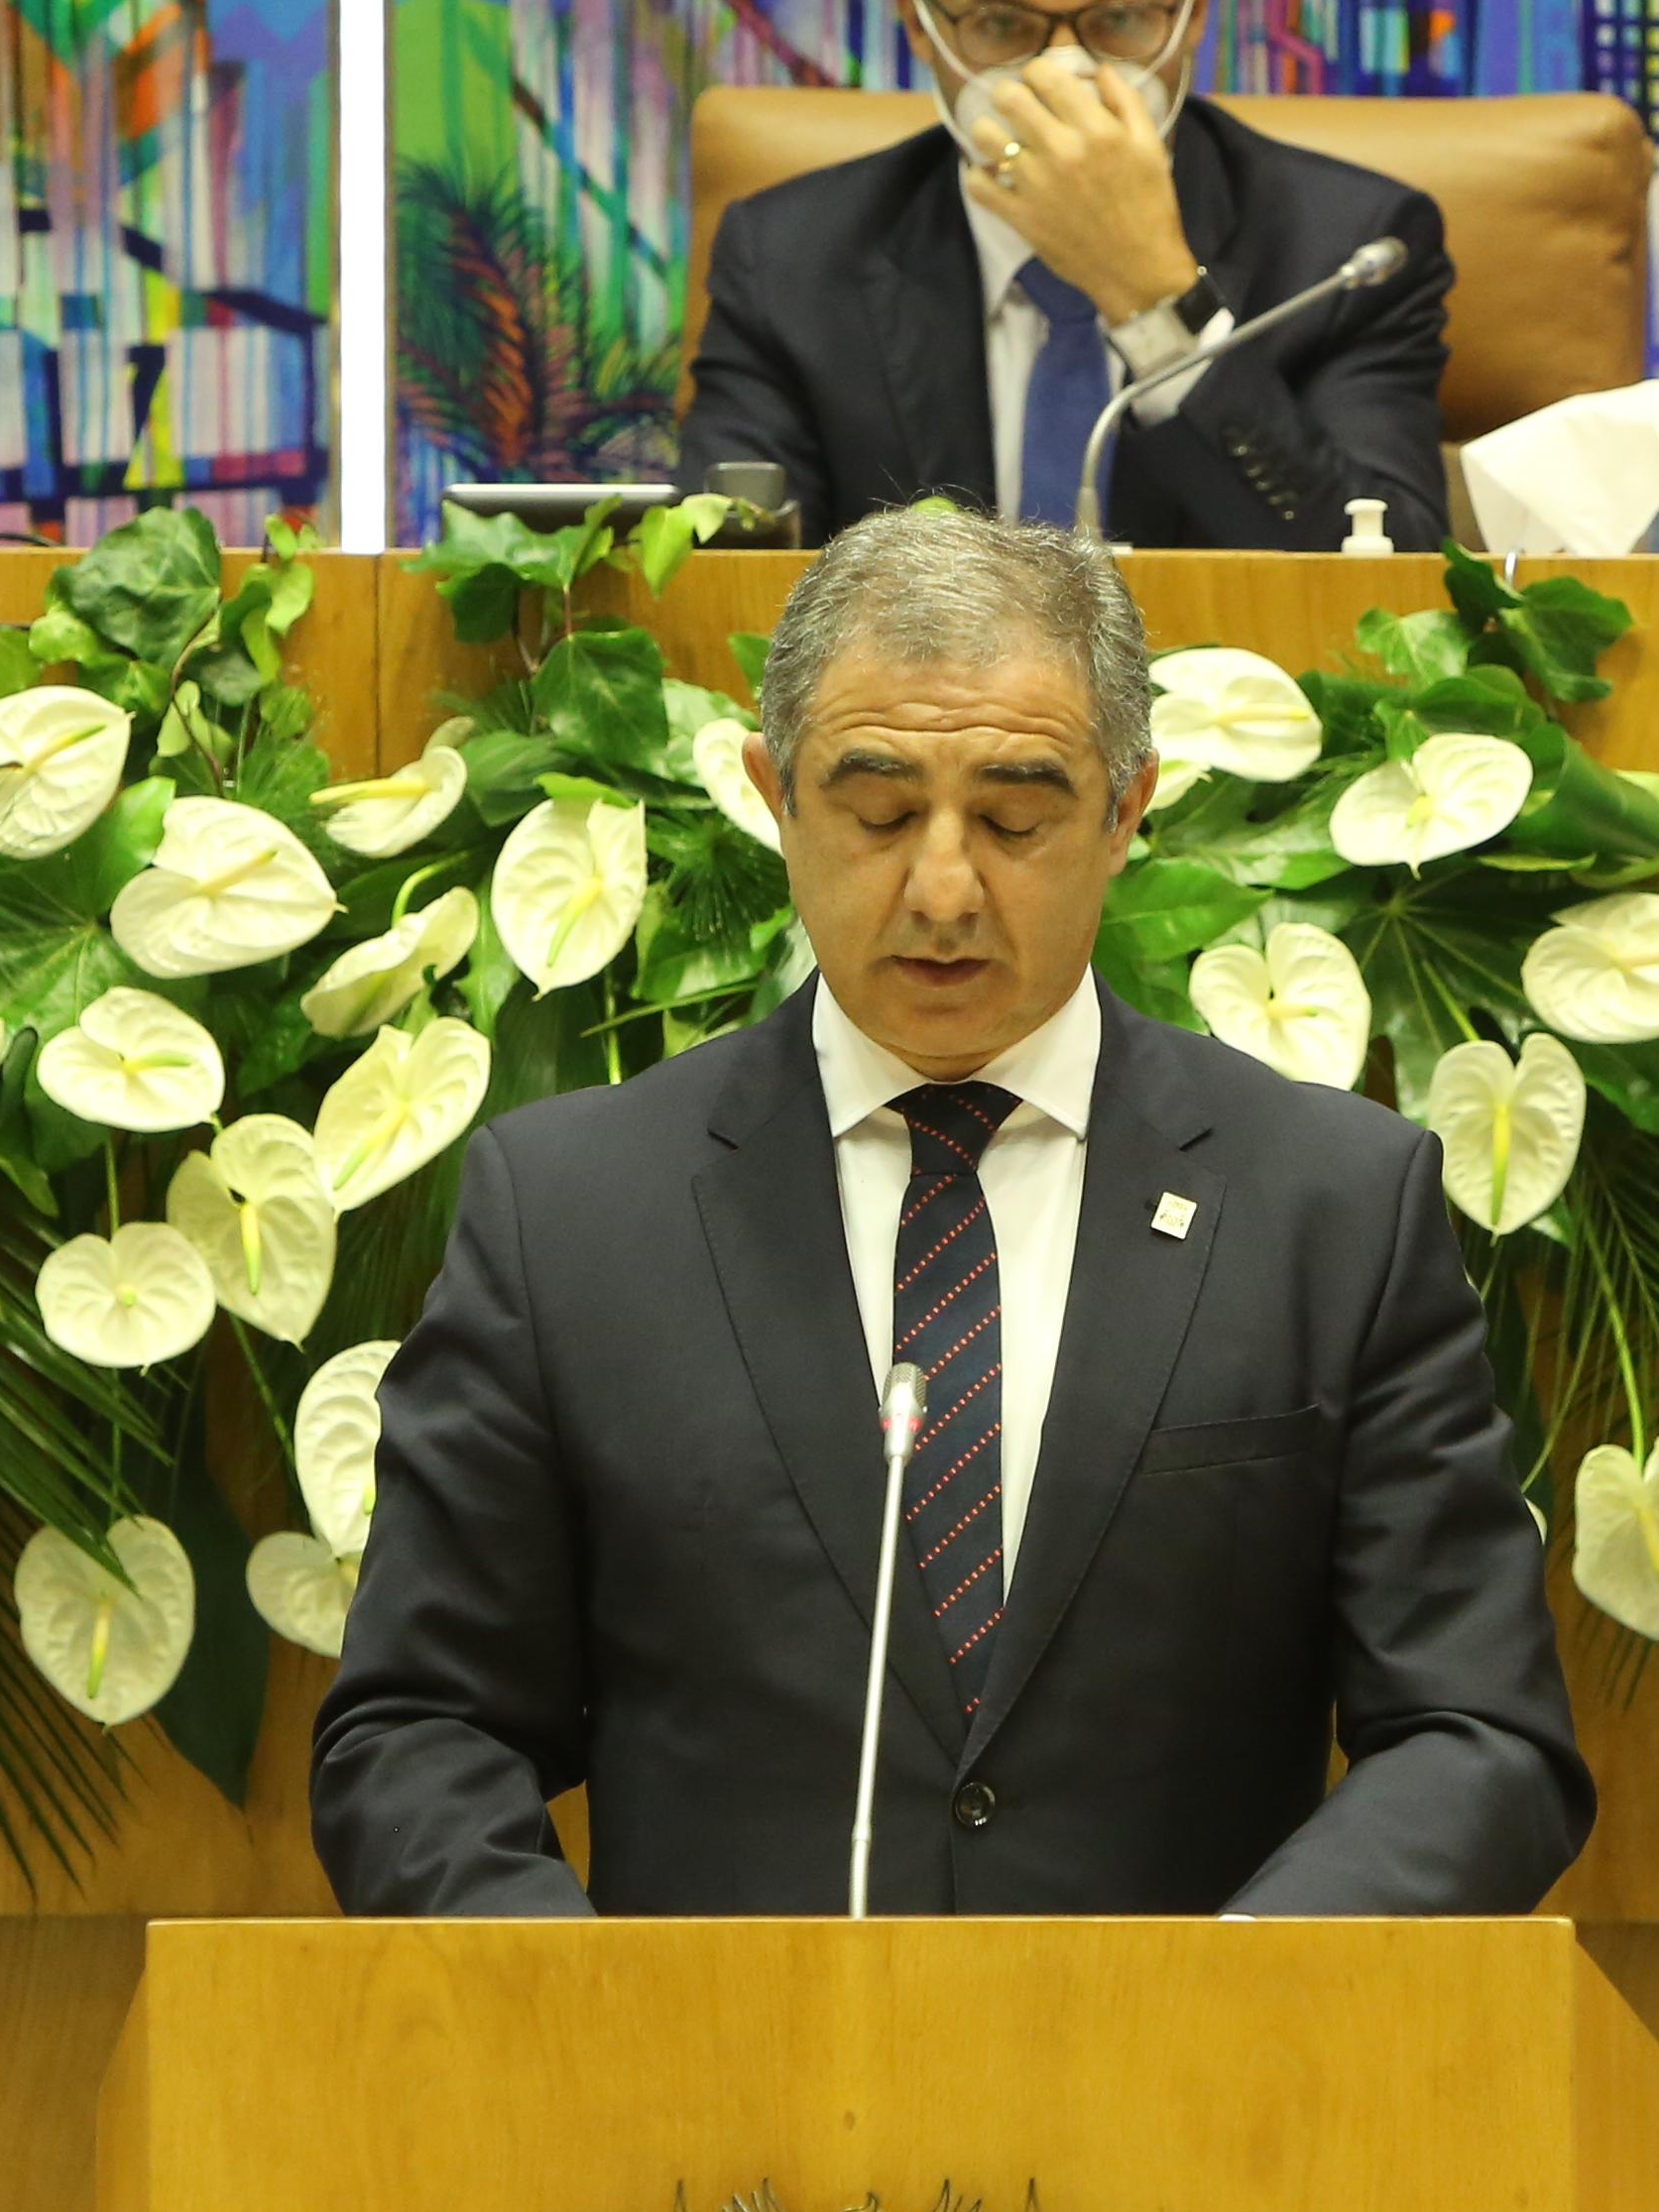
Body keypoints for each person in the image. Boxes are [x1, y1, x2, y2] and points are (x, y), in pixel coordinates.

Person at [314, 502, 1593, 1919]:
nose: (941, 889)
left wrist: (1234, 1997)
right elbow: (421, 1729)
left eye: (1013, 818)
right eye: (876, 814)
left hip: (1195, 2054)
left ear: (1127, 810)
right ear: (773, 795)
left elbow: (1478, 1734)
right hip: (719, 2063)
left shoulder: (1329, 1210)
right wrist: (592, 2014)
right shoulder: (571, 1215)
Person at [680, 0, 1453, 549]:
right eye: (1002, 23)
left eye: (1120, 18)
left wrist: (1155, 300)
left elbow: (1390, 584)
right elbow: (728, 584)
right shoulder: (788, 261)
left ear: (1195, 11)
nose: (1062, 73)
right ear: (920, 25)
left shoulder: (1351, 252)